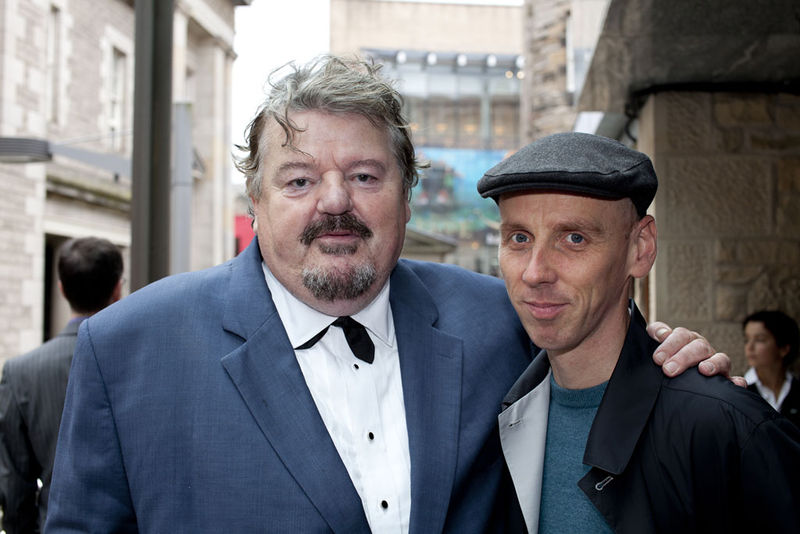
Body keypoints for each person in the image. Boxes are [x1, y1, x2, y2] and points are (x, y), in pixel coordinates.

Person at [46, 56, 730, 533]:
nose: (335, 203)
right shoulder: (130, 350)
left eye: (366, 176)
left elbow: (603, 380)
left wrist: (666, 360)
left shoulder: (499, 319)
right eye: (298, 181)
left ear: (407, 199)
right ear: (255, 201)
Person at [478, 132, 800, 533]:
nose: (535, 272)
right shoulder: (490, 411)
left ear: (641, 248)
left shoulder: (724, 427)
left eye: (574, 238)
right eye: (519, 238)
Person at [0, 236, 123, 533]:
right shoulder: (142, 362)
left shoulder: (20, 373)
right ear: (118, 288)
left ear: (61, 288)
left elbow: (15, 490)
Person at [743, 310, 800, 427]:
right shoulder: (740, 390)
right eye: (747, 339)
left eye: (760, 339)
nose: (750, 347)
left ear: (783, 348)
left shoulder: (797, 389)